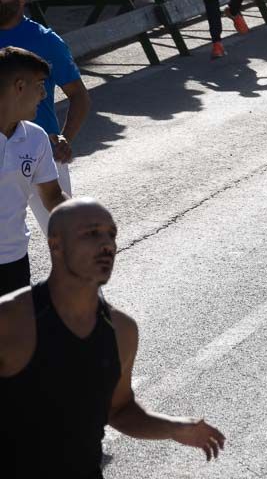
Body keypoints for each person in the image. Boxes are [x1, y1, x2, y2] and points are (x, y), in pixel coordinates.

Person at [0, 199, 227, 474]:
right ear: (55, 245)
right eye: (92, 233)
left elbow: (119, 409)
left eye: (112, 234)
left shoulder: (121, 330)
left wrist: (172, 428)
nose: (107, 244)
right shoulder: (10, 320)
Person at [0, 0, 89, 235]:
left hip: (42, 151)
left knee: (66, 239)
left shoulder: (46, 41)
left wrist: (65, 138)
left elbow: (79, 95)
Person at [0, 47, 68, 294]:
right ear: (19, 87)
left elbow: (52, 195)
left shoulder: (36, 138)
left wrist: (83, 220)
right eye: (39, 85)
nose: (43, 94)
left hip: (15, 261)